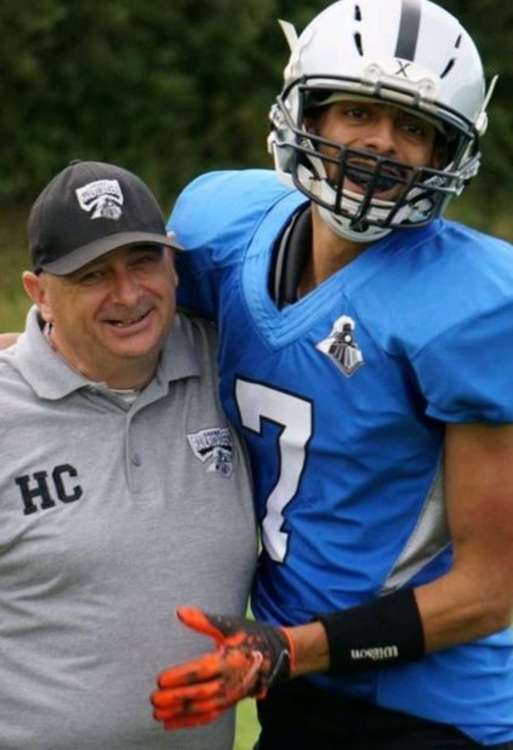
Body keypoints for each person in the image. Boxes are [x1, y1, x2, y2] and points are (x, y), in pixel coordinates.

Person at [150, 1, 513, 748]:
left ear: (449, 152)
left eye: (415, 128)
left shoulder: (474, 305)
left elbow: (490, 589)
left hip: (437, 708)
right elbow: (125, 336)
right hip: (300, 687)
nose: (381, 144)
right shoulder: (222, 225)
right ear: (304, 113)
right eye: (356, 111)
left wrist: (290, 647)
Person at [0, 160, 256, 750]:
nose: (127, 293)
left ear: (174, 265)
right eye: (92, 275)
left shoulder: (231, 365)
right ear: (39, 294)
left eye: (144, 261)